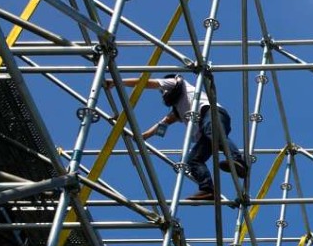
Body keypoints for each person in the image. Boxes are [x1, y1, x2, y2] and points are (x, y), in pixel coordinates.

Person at [105, 75, 247, 201]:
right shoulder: (179, 108)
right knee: (193, 161)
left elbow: (146, 83)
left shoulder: (176, 82)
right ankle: (208, 190)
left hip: (211, 113)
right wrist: (145, 136)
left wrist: (117, 82)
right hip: (205, 133)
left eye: (163, 91)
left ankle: (238, 160)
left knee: (213, 134)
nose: (163, 93)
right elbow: (163, 123)